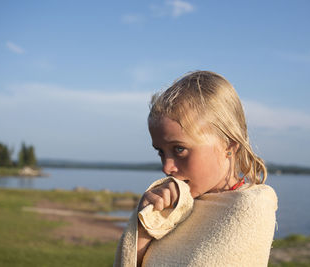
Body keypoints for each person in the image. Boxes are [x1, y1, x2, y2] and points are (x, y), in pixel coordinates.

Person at [114, 71, 278, 267]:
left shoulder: (250, 207)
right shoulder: (169, 201)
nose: (167, 167)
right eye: (160, 152)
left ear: (229, 145)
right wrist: (144, 225)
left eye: (179, 149)